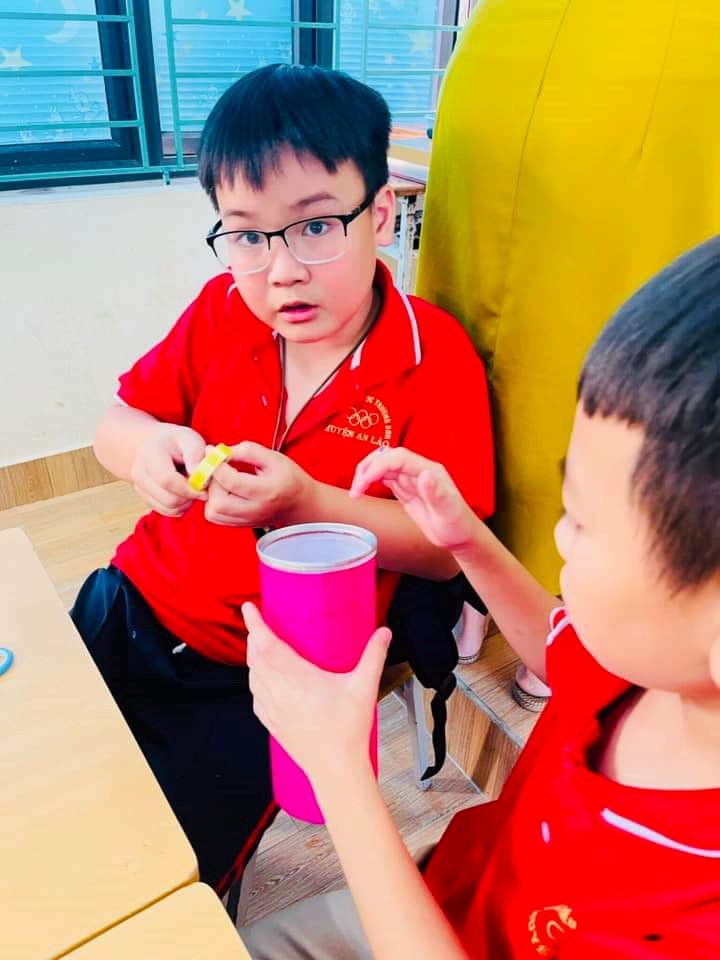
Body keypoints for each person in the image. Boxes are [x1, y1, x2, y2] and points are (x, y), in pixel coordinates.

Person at [69, 63, 494, 893]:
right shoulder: (222, 312)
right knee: (54, 787)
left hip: (264, 672)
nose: (282, 270)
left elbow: (447, 551)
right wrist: (148, 450)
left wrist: (308, 502)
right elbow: (116, 425)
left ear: (379, 214)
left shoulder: (432, 358)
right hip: (130, 603)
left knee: (172, 876)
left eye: (316, 227)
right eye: (248, 236)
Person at [242, 236, 720, 958]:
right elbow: (567, 656)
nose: (559, 536)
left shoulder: (694, 916)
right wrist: (468, 541)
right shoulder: (656, 668)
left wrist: (337, 769)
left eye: (584, 522)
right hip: (454, 892)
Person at [416, 0, 720, 707]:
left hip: (500, 52)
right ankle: (558, 619)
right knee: (595, 336)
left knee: (477, 324)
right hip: (667, 57)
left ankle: (475, 598)